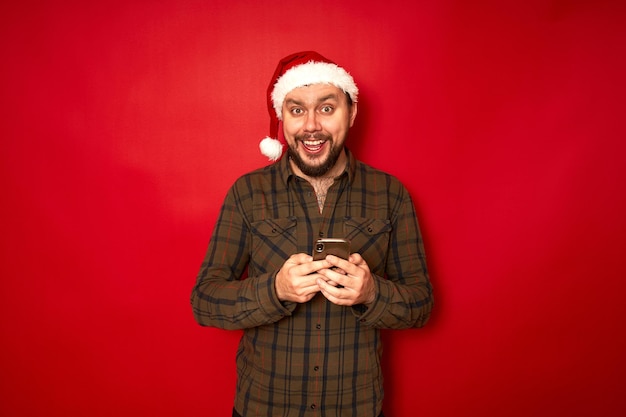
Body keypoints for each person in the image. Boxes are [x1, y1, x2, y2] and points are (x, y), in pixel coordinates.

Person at [191, 51, 433, 417]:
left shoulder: (390, 194)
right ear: (281, 118)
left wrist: (371, 292)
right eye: (297, 109)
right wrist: (274, 290)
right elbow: (205, 301)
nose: (311, 126)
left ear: (350, 113)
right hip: (265, 408)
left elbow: (421, 305)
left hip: (356, 408)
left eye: (326, 108)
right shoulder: (247, 193)